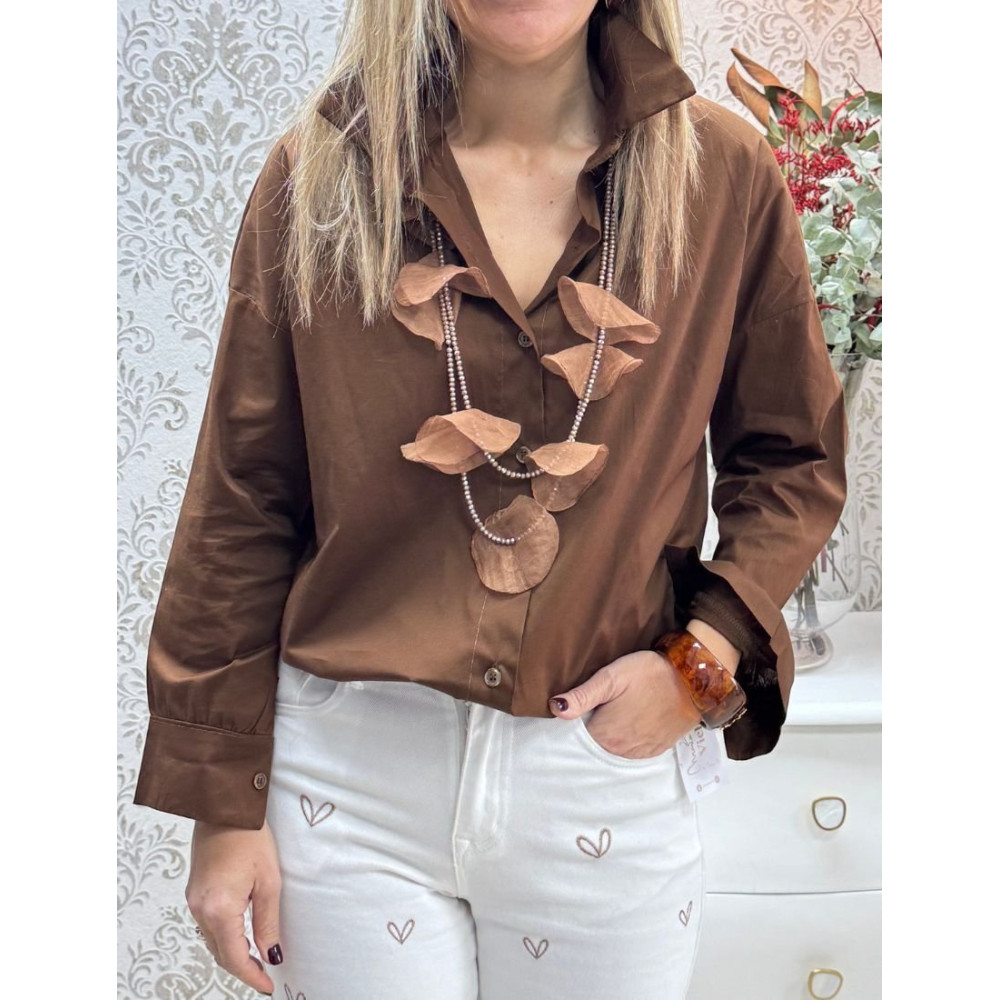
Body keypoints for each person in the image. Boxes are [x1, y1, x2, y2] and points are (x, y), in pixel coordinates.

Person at [132, 1, 848, 997]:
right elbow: (243, 497)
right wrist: (221, 804)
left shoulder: (719, 176)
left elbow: (792, 458)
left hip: (600, 773)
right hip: (344, 784)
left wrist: (700, 662)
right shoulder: (319, 181)